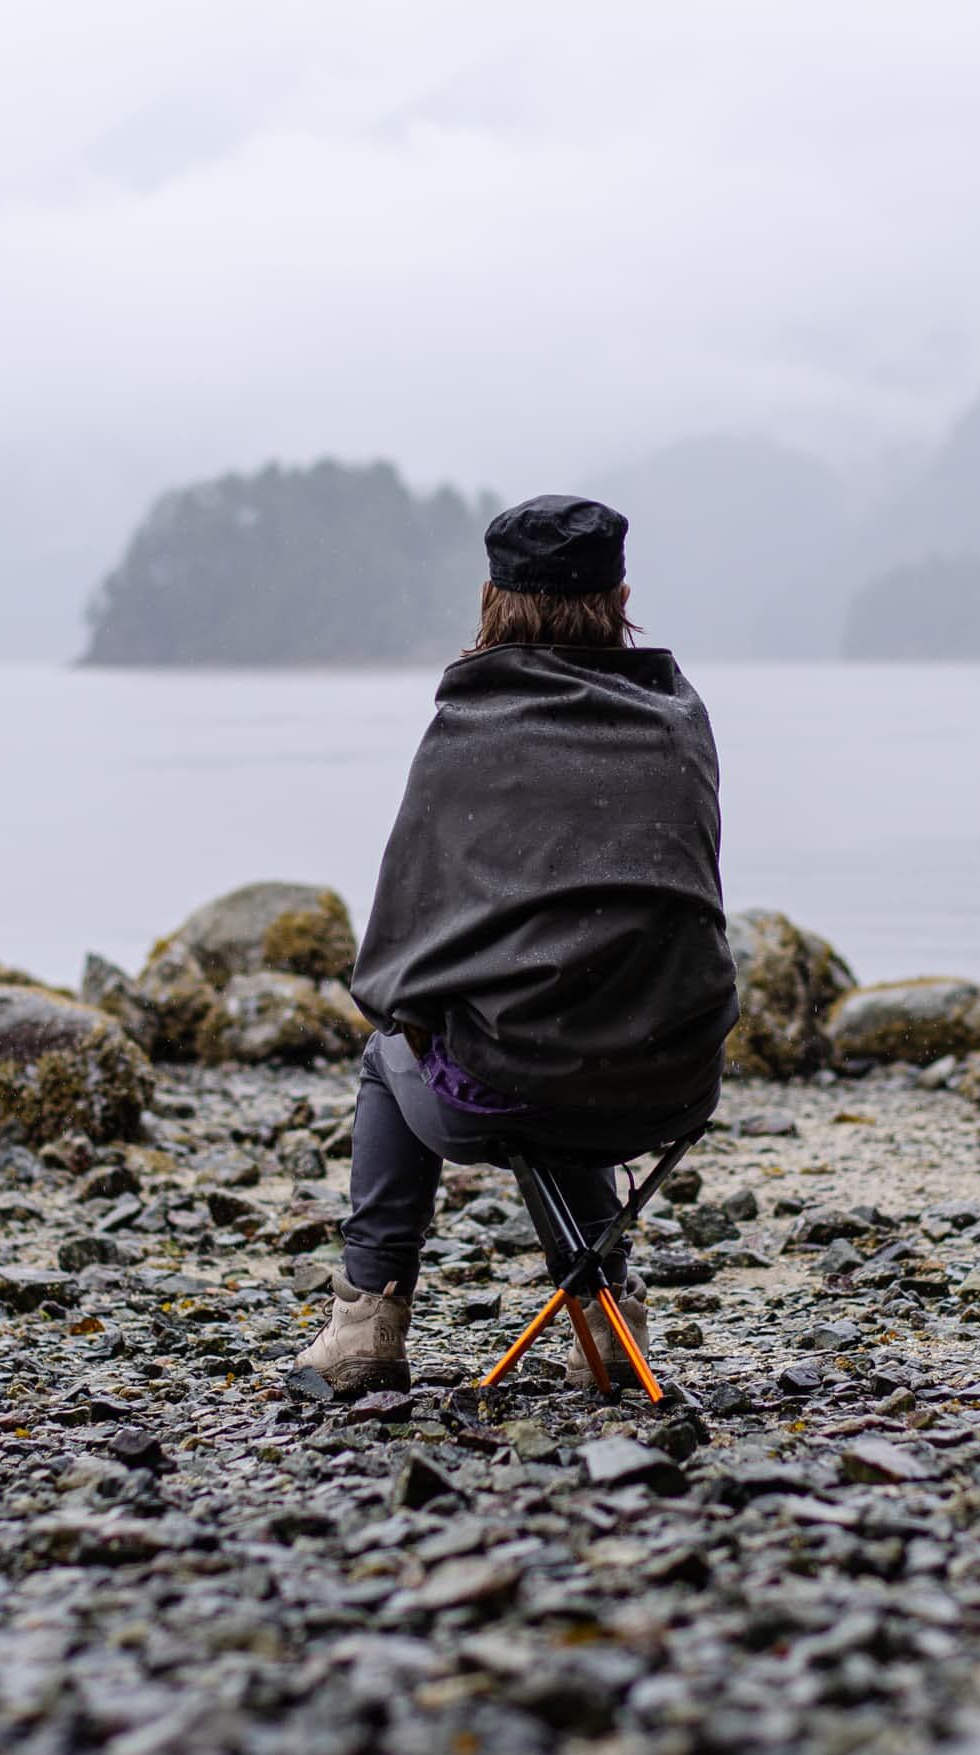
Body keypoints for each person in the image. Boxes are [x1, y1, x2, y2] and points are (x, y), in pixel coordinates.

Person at [295, 494, 738, 1396]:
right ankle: (611, 1321)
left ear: (493, 598)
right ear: (620, 596)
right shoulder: (677, 721)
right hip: (669, 1084)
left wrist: (424, 1008)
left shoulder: (469, 731)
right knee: (577, 1022)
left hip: (508, 1095)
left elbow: (389, 973)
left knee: (396, 1052)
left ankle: (365, 1325)